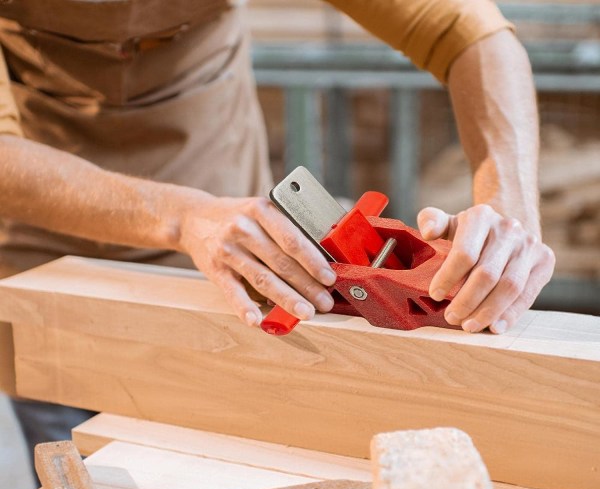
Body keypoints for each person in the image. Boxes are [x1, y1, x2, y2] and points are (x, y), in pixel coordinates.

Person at [0, 0, 555, 461]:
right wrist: (183, 216)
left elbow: (467, 31)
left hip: (239, 271)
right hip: (53, 272)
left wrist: (510, 212)